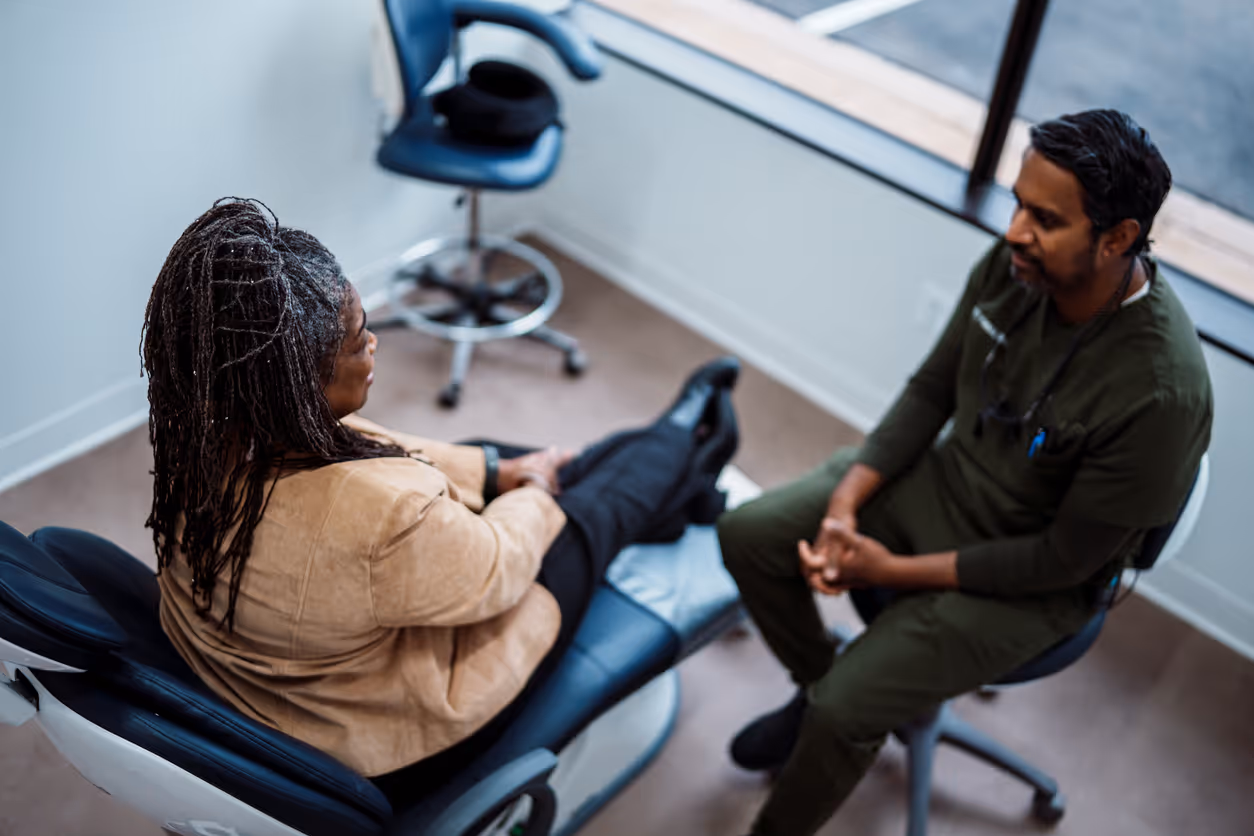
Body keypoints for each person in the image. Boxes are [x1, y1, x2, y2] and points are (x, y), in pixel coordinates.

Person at [142, 198, 740, 807]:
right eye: (357, 340)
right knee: (591, 512)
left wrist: (497, 471)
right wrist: (536, 492)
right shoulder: (385, 515)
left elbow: (373, 447)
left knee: (502, 456)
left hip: (281, 685)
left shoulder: (207, 432)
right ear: (298, 384)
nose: (374, 344)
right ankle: (692, 437)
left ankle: (680, 489)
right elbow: (499, 569)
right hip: (395, 739)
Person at [717, 109, 1212, 836]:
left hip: (1034, 578)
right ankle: (817, 683)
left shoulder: (1161, 394)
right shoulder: (1016, 267)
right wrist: (844, 509)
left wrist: (887, 570)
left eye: (1045, 219)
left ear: (1117, 238)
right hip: (945, 483)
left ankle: (825, 719)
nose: (1015, 231)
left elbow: (1061, 561)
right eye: (1018, 203)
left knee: (845, 711)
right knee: (749, 534)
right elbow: (930, 392)